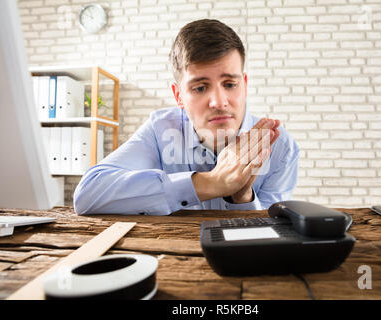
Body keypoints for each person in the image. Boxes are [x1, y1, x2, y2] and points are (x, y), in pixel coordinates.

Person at [73, 19, 300, 215]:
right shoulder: (159, 130)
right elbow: (88, 194)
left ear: (245, 85)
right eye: (200, 88)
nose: (219, 102)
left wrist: (241, 199)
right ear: (178, 95)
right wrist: (210, 183)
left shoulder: (280, 146)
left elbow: (269, 233)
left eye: (230, 84)